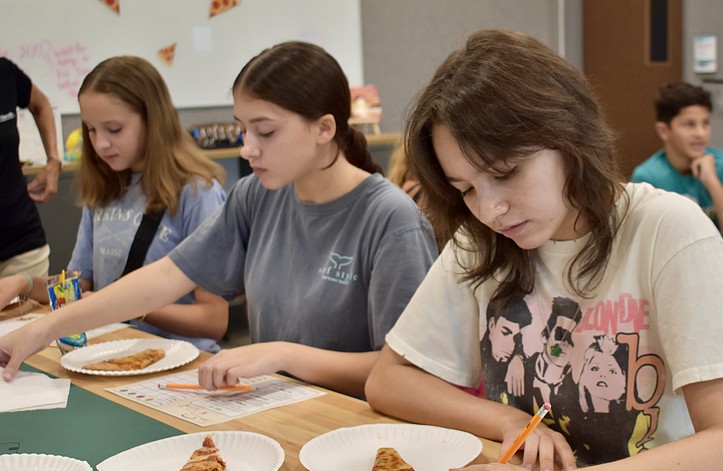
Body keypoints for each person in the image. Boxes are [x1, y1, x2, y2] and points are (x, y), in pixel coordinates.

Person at [365, 30, 723, 471]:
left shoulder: (667, 229)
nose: (489, 209)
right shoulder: (483, 241)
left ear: (569, 138)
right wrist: (508, 422)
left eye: (506, 173)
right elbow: (389, 379)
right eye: (465, 189)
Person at [1, 42, 438, 399]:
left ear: (325, 129)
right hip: (272, 408)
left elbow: (400, 374)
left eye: (265, 132)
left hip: (360, 432)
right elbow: (164, 278)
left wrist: (281, 355)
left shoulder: (389, 219)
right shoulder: (255, 196)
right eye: (241, 129)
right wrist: (43, 329)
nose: (248, 148)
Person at [0, 56, 228, 352]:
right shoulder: (105, 188)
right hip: (112, 352)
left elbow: (213, 319)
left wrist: (126, 306)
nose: (101, 143)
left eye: (114, 129)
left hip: (182, 360)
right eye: (91, 130)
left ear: (153, 120)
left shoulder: (199, 194)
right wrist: (25, 284)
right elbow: (79, 287)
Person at [631, 82, 723, 257]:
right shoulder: (647, 176)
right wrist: (710, 248)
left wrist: (712, 182)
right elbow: (646, 249)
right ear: (663, 131)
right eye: (689, 125)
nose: (700, 133)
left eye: (706, 123)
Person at [0, 58, 62, 280]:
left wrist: (53, 161)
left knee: (34, 315)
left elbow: (41, 105)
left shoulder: (4, 73)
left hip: (21, 244)